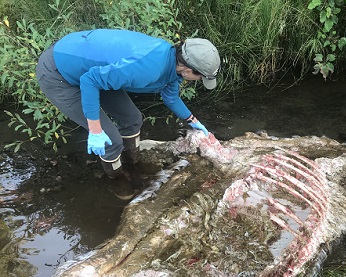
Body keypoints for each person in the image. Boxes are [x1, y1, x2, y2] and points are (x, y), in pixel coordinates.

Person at [36, 29, 221, 198]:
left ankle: (132, 163)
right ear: (189, 69)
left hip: (94, 70)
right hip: (60, 73)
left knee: (133, 119)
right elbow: (89, 80)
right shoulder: (148, 68)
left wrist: (193, 120)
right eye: (200, 77)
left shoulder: (174, 65)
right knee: (111, 140)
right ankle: (117, 178)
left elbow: (171, 97)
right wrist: (95, 130)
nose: (199, 81)